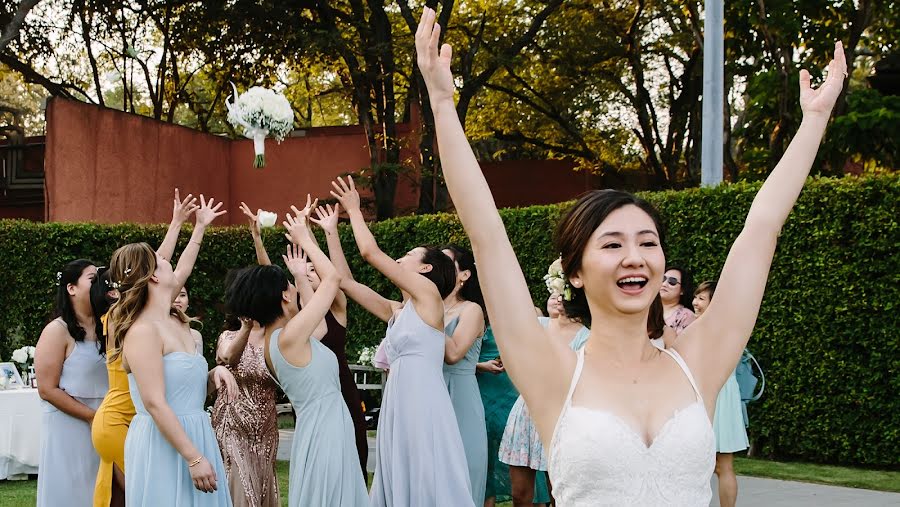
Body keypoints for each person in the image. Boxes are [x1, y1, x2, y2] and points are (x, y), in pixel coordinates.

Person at [415, 9, 846, 503]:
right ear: (574, 272)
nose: (635, 257)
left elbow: (762, 229)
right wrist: (443, 104)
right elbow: (486, 231)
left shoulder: (698, 361)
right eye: (613, 245)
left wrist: (814, 120)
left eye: (647, 242)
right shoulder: (551, 370)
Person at [328, 176, 473, 506]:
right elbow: (346, 283)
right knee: (399, 474)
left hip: (423, 403)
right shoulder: (398, 310)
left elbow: (369, 252)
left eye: (408, 254)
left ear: (424, 268)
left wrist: (354, 209)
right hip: (398, 403)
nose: (399, 258)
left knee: (428, 475)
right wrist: (330, 232)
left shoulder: (429, 297)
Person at [92, 189, 233, 507]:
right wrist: (194, 458)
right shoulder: (142, 331)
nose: (172, 265)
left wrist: (214, 376)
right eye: (163, 262)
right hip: (165, 442)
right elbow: (155, 402)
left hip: (195, 432)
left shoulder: (176, 322)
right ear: (154, 278)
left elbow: (181, 387)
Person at [225, 202, 368, 506]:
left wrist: (300, 276)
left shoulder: (286, 336)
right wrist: (305, 239)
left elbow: (320, 330)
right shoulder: (288, 337)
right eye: (290, 285)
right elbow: (332, 280)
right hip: (325, 431)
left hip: (326, 425)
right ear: (284, 296)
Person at [211, 203, 282, 507]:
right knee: (240, 491)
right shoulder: (229, 335)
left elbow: (278, 284)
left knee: (262, 486)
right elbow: (227, 358)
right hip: (232, 426)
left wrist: (258, 241)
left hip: (265, 429)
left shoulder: (278, 337)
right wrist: (246, 327)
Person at [34, 259, 109, 507]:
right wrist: (91, 416)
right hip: (70, 426)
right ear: (71, 288)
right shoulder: (57, 330)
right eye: (92, 278)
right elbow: (46, 389)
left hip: (106, 423)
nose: (100, 283)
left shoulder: (109, 326)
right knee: (72, 491)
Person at [692, 281, 749, 507]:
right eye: (696, 297)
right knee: (723, 466)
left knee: (710, 465)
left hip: (714, 395)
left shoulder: (706, 329)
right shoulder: (731, 327)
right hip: (723, 394)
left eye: (701, 299)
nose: (695, 303)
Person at [441, 244, 489, 506]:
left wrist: (429, 306)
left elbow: (454, 353)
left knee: (462, 473)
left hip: (460, 398)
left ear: (464, 275)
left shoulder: (471, 310)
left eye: (446, 264)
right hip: (428, 394)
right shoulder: (421, 307)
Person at [660, 266, 696, 334]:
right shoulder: (646, 307)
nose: (664, 284)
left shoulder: (686, 316)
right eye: (663, 279)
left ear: (682, 290)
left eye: (672, 281)